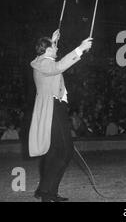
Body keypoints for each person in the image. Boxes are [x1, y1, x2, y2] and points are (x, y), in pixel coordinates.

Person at [29, 29, 92, 202]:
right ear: (48, 51)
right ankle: (45, 190)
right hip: (53, 108)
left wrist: (53, 40)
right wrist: (80, 49)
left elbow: (52, 58)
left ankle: (48, 193)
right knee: (65, 150)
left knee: (56, 151)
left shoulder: (43, 60)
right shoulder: (44, 63)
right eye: (54, 47)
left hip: (56, 108)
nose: (57, 49)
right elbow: (57, 66)